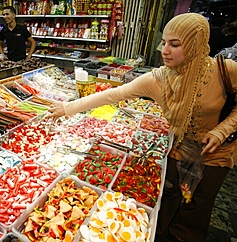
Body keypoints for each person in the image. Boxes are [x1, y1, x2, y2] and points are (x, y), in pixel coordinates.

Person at [47, 13, 237, 242]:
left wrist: (222, 130)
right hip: (178, 148)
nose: (164, 50)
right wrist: (67, 108)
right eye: (164, 42)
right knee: (169, 200)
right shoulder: (157, 79)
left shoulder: (225, 70)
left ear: (195, 43)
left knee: (197, 208)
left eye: (175, 44)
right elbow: (114, 94)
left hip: (217, 153)